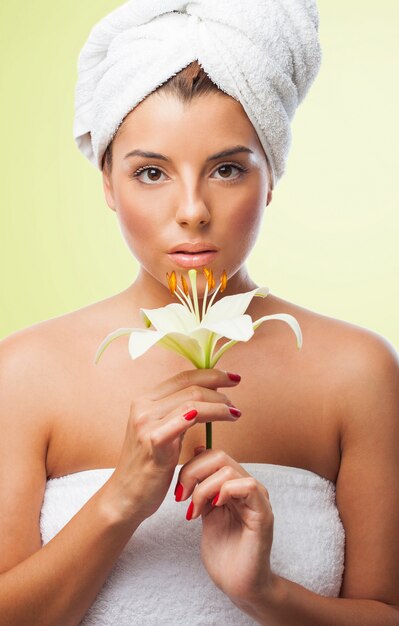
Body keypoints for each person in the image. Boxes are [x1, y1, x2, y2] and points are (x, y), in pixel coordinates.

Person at [1, 1, 399, 625]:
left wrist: (263, 592)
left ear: (271, 177)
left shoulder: (358, 371)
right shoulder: (23, 373)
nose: (192, 210)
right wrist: (121, 501)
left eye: (227, 169)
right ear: (108, 181)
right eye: (152, 172)